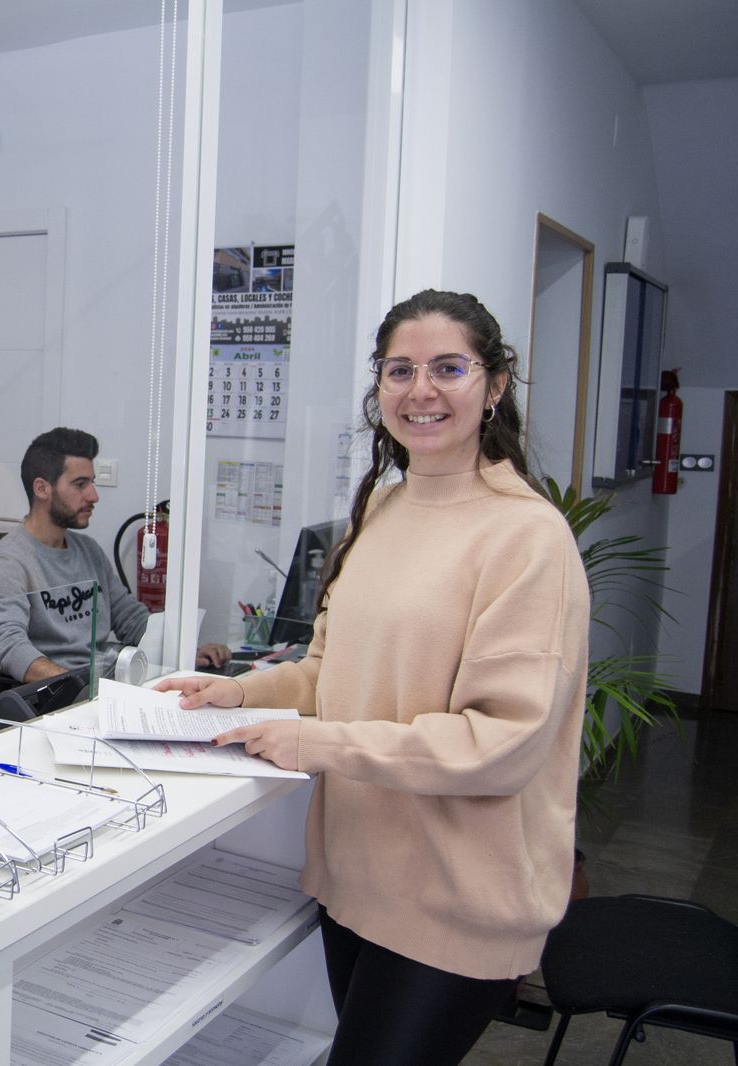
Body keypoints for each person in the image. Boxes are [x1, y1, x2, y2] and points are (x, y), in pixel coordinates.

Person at [157, 290, 590, 1064]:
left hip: (457, 899)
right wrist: (243, 691)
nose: (420, 391)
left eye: (448, 368)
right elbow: (331, 668)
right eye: (400, 370)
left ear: (494, 386)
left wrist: (320, 744)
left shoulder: (527, 537)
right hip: (354, 877)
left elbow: (503, 743)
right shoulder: (380, 511)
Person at [0, 427, 229, 684]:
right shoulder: (7, 563)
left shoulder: (89, 550)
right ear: (42, 488)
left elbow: (131, 620)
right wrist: (75, 687)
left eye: (92, 482)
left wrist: (186, 654)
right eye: (80, 484)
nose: (93, 496)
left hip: (102, 684)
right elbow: (6, 645)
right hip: (56, 697)